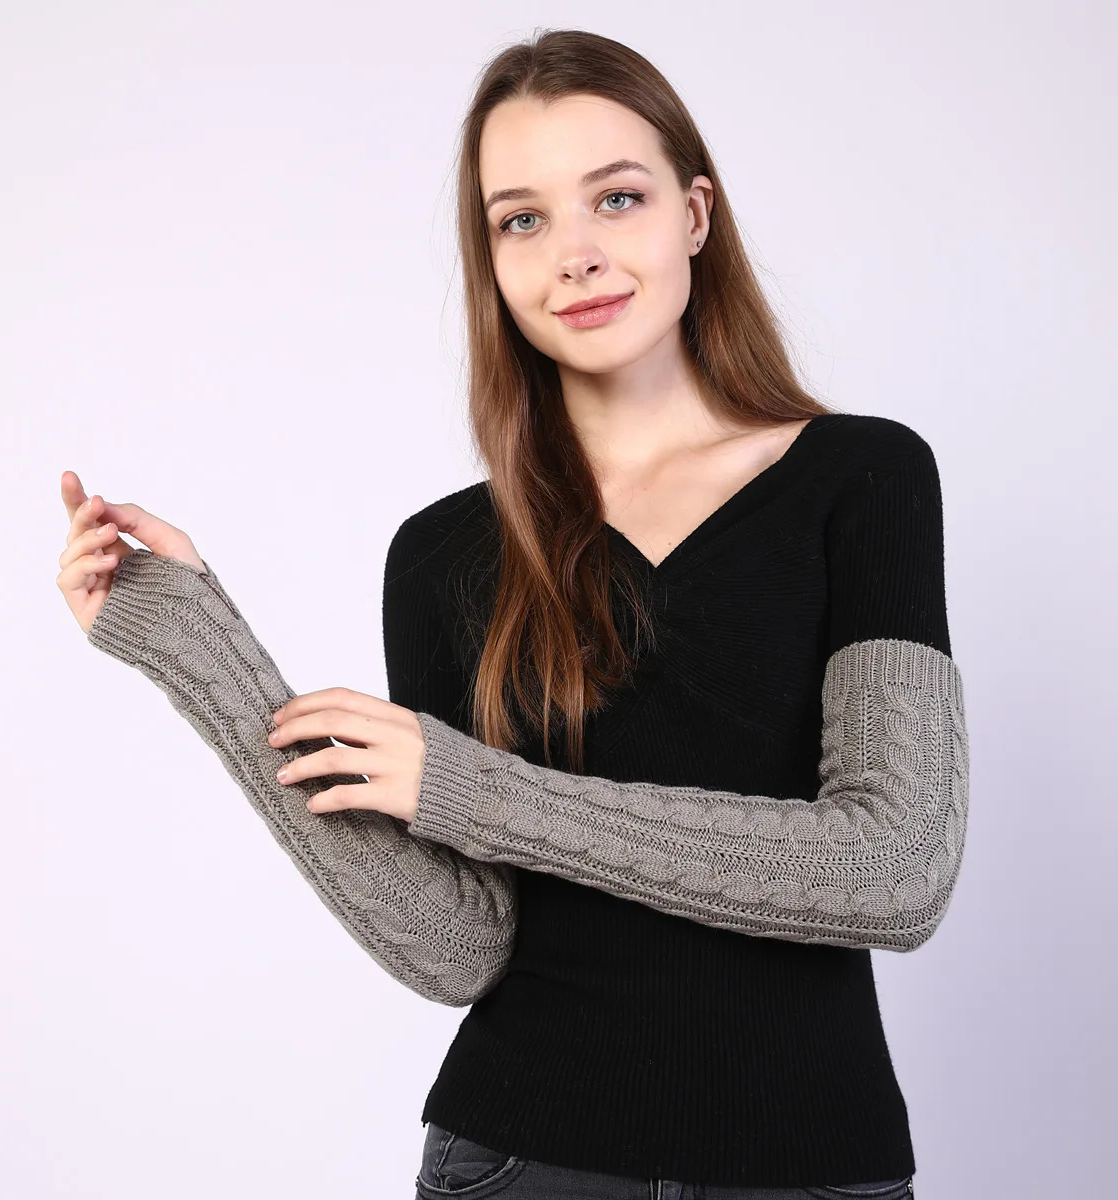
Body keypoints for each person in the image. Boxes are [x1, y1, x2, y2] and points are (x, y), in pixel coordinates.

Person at [56, 28, 967, 1200]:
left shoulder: (864, 478)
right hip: (521, 1159)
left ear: (695, 214)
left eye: (617, 198)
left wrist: (477, 790)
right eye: (522, 219)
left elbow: (896, 869)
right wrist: (197, 648)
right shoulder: (444, 556)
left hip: (813, 1161)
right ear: (489, 258)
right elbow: (458, 947)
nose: (574, 255)